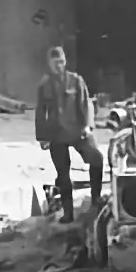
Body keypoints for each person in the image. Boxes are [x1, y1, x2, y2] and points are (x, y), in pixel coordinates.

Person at [35, 46, 105, 223]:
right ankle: (68, 213)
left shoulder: (76, 81)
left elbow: (86, 103)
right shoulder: (44, 85)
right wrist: (42, 137)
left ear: (65, 61)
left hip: (78, 131)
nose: (59, 65)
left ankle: (96, 199)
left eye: (61, 62)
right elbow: (40, 112)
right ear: (49, 64)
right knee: (63, 175)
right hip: (56, 134)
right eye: (55, 62)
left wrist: (88, 126)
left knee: (96, 158)